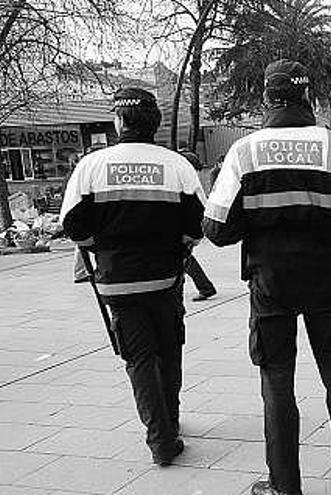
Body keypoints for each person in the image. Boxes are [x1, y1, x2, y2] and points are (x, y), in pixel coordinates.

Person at [202, 60, 331, 495]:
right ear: (307, 97)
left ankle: (284, 485)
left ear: (267, 97)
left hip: (270, 284)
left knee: (276, 379)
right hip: (327, 280)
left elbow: (216, 230)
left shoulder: (245, 151)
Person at [60, 87, 205, 466]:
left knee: (139, 359)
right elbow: (198, 224)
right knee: (170, 351)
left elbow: (72, 226)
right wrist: (179, 246)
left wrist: (100, 248)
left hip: (117, 282)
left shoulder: (91, 167)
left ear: (120, 121)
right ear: (154, 122)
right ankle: (170, 423)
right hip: (165, 279)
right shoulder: (176, 166)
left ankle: (160, 441)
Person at [177, 147, 218, 301]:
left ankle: (205, 287)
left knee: (184, 260)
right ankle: (204, 287)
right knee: (185, 259)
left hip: (187, 229)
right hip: (194, 226)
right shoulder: (193, 180)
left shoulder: (186, 181)